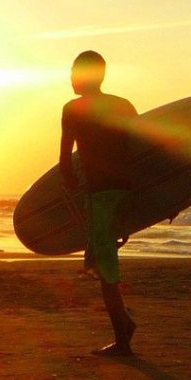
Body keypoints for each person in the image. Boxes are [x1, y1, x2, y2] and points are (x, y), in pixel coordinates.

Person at [59, 50, 138, 356]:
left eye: (74, 71)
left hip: (100, 196)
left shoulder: (73, 109)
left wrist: (69, 185)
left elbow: (66, 160)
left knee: (105, 269)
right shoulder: (123, 106)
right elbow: (142, 149)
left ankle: (123, 338)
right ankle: (125, 325)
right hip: (127, 193)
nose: (70, 77)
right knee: (105, 261)